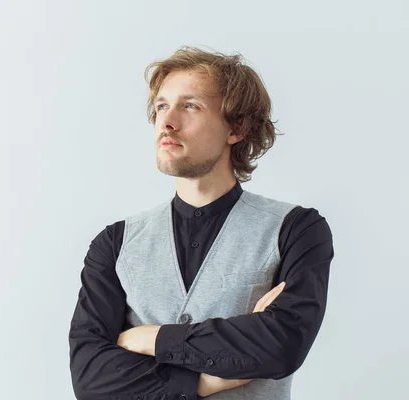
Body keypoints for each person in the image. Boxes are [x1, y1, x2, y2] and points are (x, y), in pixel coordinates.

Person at [68, 46, 334, 400]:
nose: (167, 121)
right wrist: (204, 380)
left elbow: (281, 346)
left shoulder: (296, 230)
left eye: (190, 105)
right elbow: (89, 378)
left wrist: (151, 338)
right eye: (162, 105)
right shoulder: (115, 242)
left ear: (236, 128)